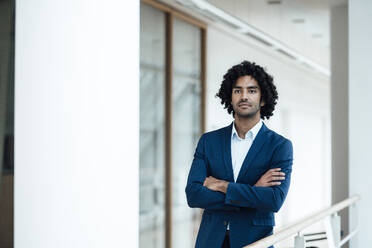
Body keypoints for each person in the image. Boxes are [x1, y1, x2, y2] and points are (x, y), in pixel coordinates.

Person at [185, 61, 293, 248]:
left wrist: (222, 185)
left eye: (251, 91)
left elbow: (274, 200)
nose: (244, 96)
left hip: (254, 242)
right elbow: (194, 195)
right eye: (237, 91)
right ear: (230, 96)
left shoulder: (280, 146)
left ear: (263, 99)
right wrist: (253, 190)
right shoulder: (209, 141)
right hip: (210, 241)